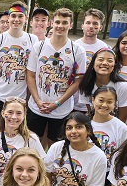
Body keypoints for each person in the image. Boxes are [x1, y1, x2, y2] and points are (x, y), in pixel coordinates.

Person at [26, 8, 87, 148]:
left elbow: (78, 81)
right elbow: (30, 75)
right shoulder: (39, 47)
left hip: (61, 110)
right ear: (52, 23)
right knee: (32, 144)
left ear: (70, 25)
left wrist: (57, 103)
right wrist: (37, 100)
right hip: (36, 107)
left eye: (65, 22)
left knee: (56, 146)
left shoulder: (77, 50)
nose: (60, 26)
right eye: (58, 22)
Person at [44, 112, 107, 186]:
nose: (73, 131)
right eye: (69, 128)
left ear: (88, 130)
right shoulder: (57, 147)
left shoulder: (99, 156)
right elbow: (46, 174)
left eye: (78, 127)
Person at [0, 2, 37, 132]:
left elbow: (32, 73)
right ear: (9, 17)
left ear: (26, 17)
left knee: (17, 137)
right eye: (13, 16)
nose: (16, 20)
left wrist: (30, 100)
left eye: (20, 16)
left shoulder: (33, 40)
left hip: (20, 100)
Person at [0, 97, 45, 185]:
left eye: (19, 113)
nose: (14, 117)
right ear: (2, 113)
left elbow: (41, 167)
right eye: (10, 112)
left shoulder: (31, 139)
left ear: (24, 116)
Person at [76, 49, 127, 122]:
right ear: (93, 63)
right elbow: (92, 111)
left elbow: (123, 117)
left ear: (114, 65)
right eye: (101, 59)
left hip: (124, 124)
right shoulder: (85, 84)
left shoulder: (122, 86)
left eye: (110, 61)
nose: (105, 63)